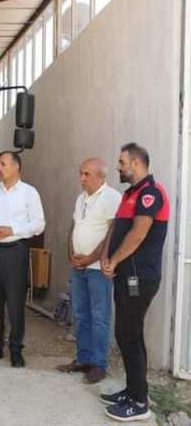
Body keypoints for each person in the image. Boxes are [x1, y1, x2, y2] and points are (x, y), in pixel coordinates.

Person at [100, 143, 169, 422]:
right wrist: (106, 257)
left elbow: (138, 234)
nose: (118, 166)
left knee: (128, 334)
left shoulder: (151, 193)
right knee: (129, 333)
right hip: (125, 274)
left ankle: (140, 403)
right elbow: (117, 228)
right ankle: (132, 391)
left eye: (121, 162)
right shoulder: (130, 193)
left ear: (136, 164)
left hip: (139, 277)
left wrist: (114, 260)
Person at [0, 151, 45, 368]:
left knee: (15, 304)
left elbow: (38, 224)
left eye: (3, 164)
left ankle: (16, 350)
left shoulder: (29, 193)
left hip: (15, 251)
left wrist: (11, 230)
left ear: (16, 167)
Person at [56, 158, 121, 384]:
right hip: (79, 268)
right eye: (80, 173)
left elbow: (113, 232)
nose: (81, 178)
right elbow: (74, 226)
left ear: (101, 176)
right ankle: (83, 359)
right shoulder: (81, 198)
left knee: (100, 317)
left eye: (86, 174)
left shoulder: (111, 197)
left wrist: (91, 258)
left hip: (97, 269)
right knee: (81, 315)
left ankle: (99, 365)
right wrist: (71, 252)